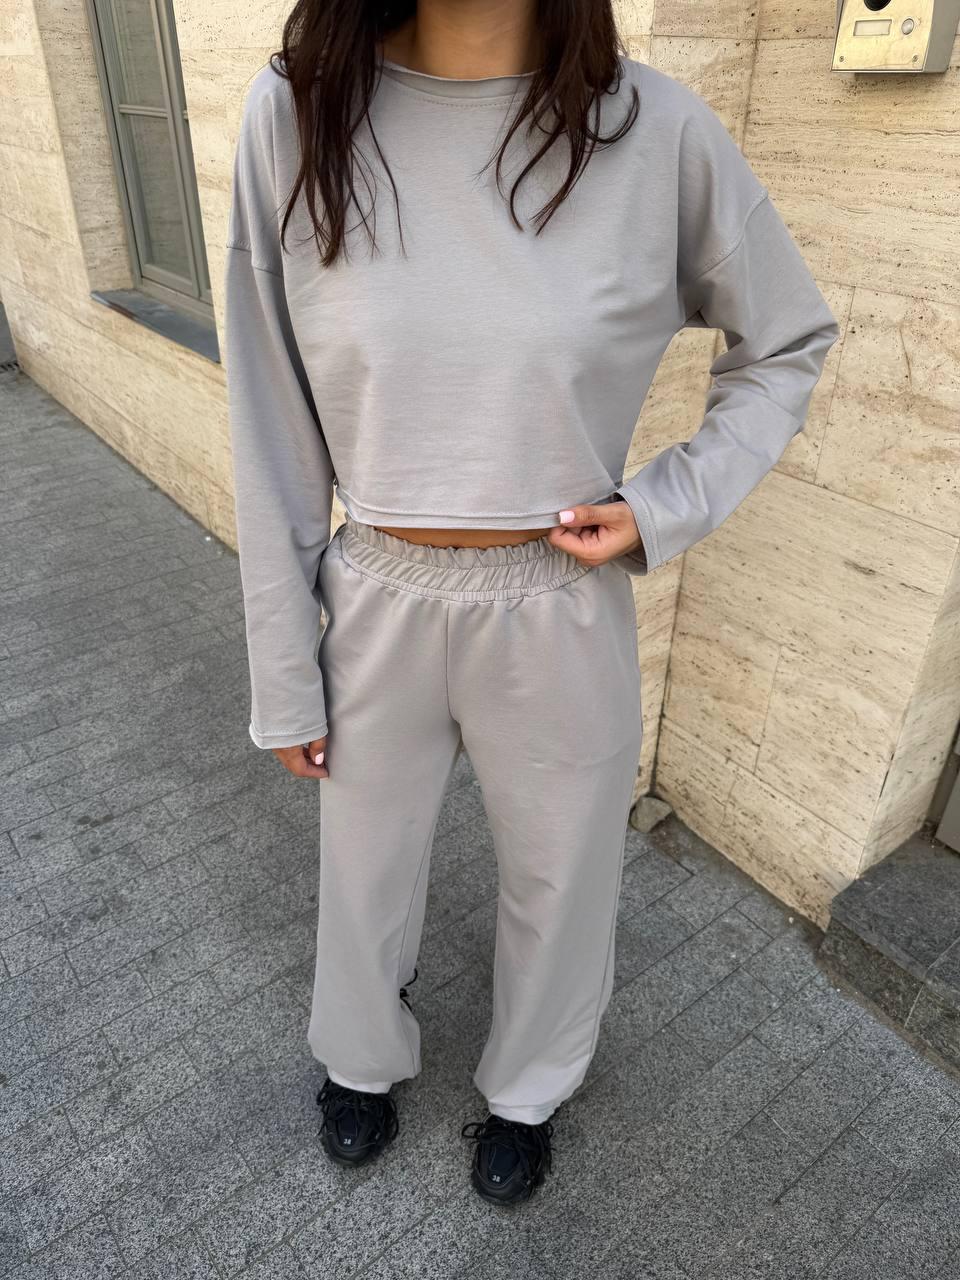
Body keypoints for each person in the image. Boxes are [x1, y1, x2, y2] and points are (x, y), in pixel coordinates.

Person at [223, 0, 840, 1206]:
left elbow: (786, 340)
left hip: (558, 596)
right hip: (377, 588)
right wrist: (282, 665)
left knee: (565, 877)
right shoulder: (297, 115)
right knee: (363, 865)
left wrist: (663, 505)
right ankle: (360, 1054)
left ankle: (528, 1089)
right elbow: (268, 413)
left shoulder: (654, 132)